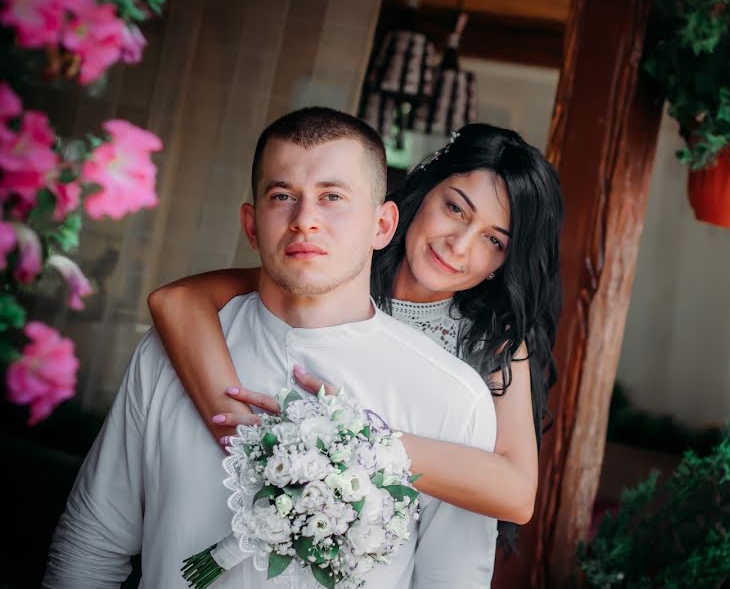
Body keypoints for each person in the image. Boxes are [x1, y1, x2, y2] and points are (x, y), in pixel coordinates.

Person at [44, 108, 498, 588]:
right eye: (283, 196)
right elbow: (90, 546)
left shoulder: (452, 397)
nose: (305, 220)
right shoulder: (167, 353)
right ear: (251, 223)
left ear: (383, 225)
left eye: (333, 197)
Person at [147, 122, 564, 547]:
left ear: (506, 262)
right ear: (424, 191)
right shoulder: (339, 270)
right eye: (455, 209)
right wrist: (243, 435)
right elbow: (176, 301)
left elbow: (516, 493)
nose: (460, 245)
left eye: (493, 240)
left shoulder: (492, 340)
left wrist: (350, 436)